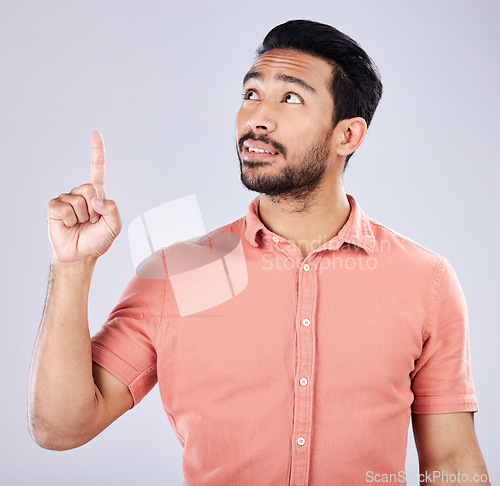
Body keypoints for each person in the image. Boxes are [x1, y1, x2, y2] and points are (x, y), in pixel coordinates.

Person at [29, 20, 489, 485]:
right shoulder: (183, 273)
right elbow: (61, 427)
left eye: (290, 98)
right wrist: (72, 265)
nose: (256, 118)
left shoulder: (424, 281)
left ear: (347, 136)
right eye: (251, 94)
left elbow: (451, 462)